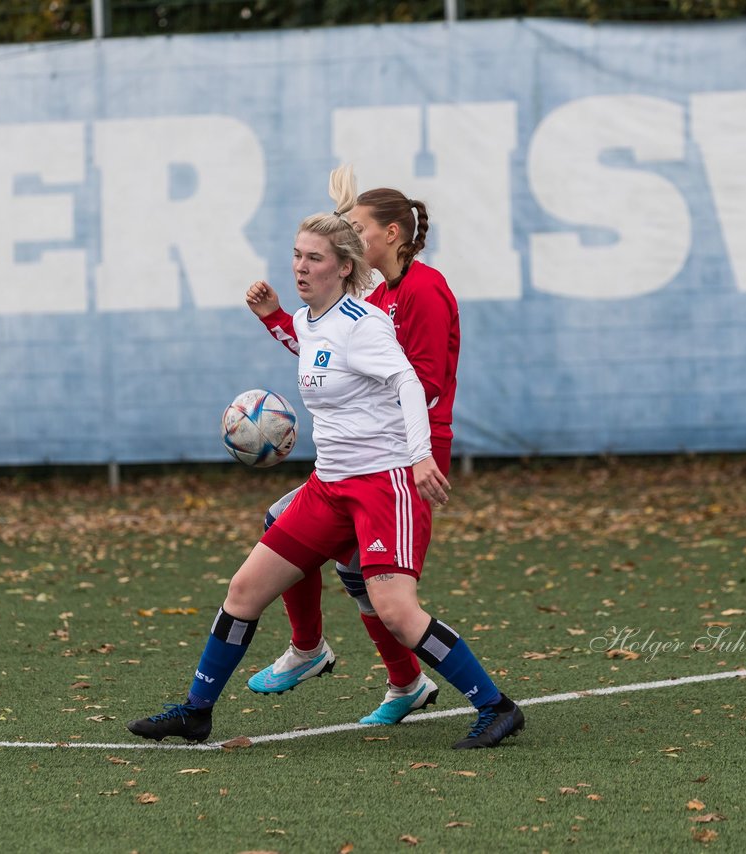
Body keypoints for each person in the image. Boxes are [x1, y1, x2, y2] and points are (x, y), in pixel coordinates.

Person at [126, 173, 523, 749]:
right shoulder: (318, 320)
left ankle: (495, 706)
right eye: (296, 255)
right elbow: (319, 347)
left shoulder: (371, 320)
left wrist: (418, 457)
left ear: (343, 265)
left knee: (395, 610)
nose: (300, 266)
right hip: (329, 487)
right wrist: (275, 317)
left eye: (314, 257)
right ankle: (197, 710)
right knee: (243, 591)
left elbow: (414, 383)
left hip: (383, 484)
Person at [242, 168, 460, 727]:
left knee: (380, 590)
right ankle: (401, 682)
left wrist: (386, 439)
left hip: (403, 457)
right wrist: (274, 320)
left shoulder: (424, 290)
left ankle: (327, 655)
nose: (350, 240)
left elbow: (424, 382)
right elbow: (327, 355)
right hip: (359, 460)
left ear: (390, 234)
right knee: (346, 566)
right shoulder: (377, 291)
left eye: (357, 229)